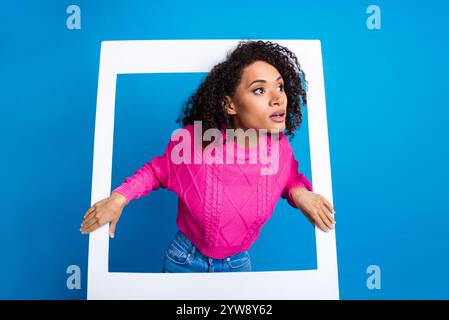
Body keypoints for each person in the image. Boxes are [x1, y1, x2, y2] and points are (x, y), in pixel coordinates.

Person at [80, 40, 335, 273]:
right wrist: (119, 198)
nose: (278, 97)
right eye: (259, 90)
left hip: (238, 263)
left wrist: (299, 192)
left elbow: (289, 178)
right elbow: (157, 171)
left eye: (279, 86)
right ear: (230, 105)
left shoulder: (279, 150)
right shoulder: (196, 142)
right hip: (184, 259)